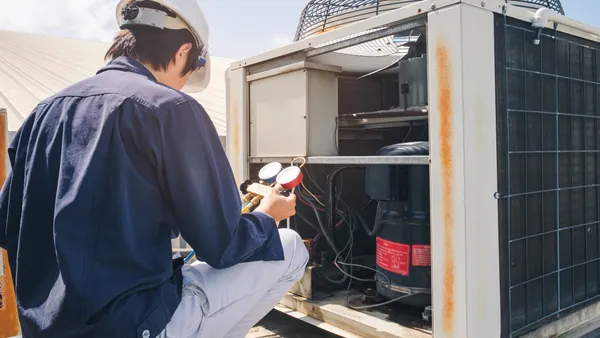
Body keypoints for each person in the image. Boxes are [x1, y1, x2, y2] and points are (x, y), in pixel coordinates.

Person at [0, 0, 309, 337]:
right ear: (183, 52)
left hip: (45, 329)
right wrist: (267, 215)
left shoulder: (42, 113)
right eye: (191, 70)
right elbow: (223, 246)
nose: (180, 85)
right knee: (290, 246)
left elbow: (8, 226)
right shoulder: (171, 108)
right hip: (132, 325)